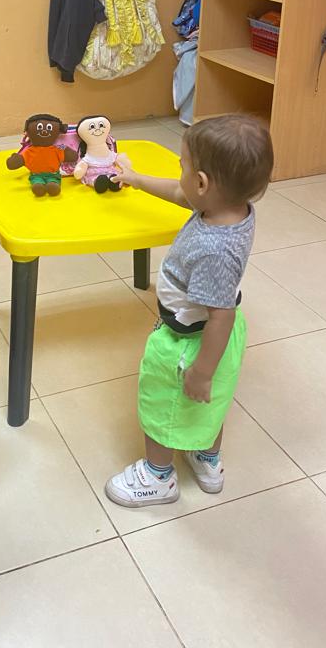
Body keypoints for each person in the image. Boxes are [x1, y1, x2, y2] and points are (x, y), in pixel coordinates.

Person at [105, 114, 273, 506]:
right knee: (210, 405)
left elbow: (220, 316)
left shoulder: (214, 250)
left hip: (192, 342)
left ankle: (158, 476)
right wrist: (135, 178)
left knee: (162, 401)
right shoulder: (231, 208)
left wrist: (201, 371)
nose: (179, 174)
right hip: (214, 334)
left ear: (202, 183)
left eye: (182, 166)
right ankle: (207, 459)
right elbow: (181, 194)